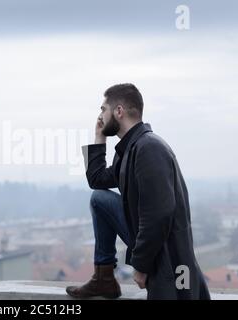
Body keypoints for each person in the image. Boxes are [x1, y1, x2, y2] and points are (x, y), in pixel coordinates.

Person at [66, 83, 210, 300]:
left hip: (168, 255)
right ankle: (104, 279)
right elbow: (97, 181)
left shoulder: (149, 148)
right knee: (100, 199)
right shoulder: (129, 150)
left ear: (119, 111)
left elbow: (159, 216)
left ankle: (113, 276)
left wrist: (141, 265)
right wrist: (99, 137)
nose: (100, 116)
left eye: (103, 109)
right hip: (147, 236)